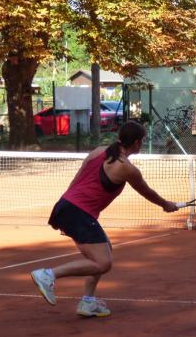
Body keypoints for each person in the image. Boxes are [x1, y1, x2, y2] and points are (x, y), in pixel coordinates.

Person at [30, 120, 178, 318]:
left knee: (104, 249)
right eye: (142, 140)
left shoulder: (99, 151)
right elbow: (146, 191)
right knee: (103, 263)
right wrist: (165, 204)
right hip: (78, 212)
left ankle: (88, 302)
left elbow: (77, 180)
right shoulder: (127, 168)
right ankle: (48, 275)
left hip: (67, 206)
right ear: (137, 142)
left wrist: (66, 208)